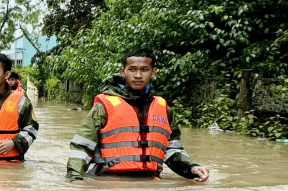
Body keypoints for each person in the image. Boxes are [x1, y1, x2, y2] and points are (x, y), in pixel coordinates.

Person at [67, 48, 210, 182]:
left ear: (153, 72)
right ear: (123, 72)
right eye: (132, 69)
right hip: (109, 181)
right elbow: (82, 147)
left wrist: (191, 168)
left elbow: (172, 150)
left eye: (144, 70)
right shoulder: (103, 106)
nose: (138, 75)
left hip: (150, 181)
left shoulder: (163, 108)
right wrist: (75, 177)